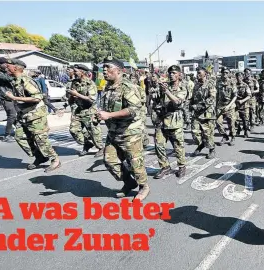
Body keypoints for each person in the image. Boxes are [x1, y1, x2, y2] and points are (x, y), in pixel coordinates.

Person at [98, 56, 149, 201]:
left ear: (119, 71)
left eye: (108, 67)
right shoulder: (108, 87)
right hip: (114, 132)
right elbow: (107, 108)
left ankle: (144, 187)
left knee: (135, 163)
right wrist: (100, 115)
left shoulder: (128, 87)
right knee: (110, 161)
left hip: (129, 133)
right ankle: (129, 182)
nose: (105, 70)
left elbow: (133, 109)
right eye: (104, 68)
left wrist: (109, 115)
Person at [5, 59, 61, 172]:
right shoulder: (15, 81)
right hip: (24, 115)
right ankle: (40, 156)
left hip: (35, 115)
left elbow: (37, 97)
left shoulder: (25, 80)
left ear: (15, 68)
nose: (6, 68)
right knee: (20, 137)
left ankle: (55, 160)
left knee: (41, 139)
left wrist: (14, 98)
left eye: (8, 66)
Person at [153, 65, 189, 179]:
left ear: (179, 74)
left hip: (175, 120)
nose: (171, 75)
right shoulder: (165, 85)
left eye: (174, 73)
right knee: (159, 145)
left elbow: (178, 102)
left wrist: (167, 91)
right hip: (162, 120)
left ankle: (182, 166)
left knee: (178, 146)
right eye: (170, 73)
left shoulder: (183, 87)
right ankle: (165, 167)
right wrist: (156, 89)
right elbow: (157, 99)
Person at [68, 64, 104, 157]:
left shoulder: (90, 83)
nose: (74, 73)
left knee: (93, 131)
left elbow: (91, 99)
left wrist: (77, 94)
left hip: (90, 110)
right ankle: (87, 143)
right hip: (79, 110)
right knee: (73, 130)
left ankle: (101, 148)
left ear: (82, 72)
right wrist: (71, 99)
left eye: (76, 71)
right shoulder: (74, 82)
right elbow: (72, 98)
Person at [189, 67, 217, 158]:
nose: (197, 74)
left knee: (207, 133)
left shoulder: (210, 84)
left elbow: (212, 98)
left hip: (207, 113)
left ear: (205, 74)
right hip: (197, 113)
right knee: (194, 132)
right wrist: (190, 105)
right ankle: (201, 144)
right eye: (197, 73)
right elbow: (193, 98)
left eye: (199, 73)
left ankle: (212, 149)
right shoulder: (196, 85)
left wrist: (199, 106)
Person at [215, 67, 238, 146]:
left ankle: (233, 137)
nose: (225, 74)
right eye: (223, 73)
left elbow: (235, 96)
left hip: (230, 106)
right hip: (220, 105)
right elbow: (217, 95)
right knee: (218, 122)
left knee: (231, 123)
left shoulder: (232, 82)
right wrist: (215, 105)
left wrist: (229, 105)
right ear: (221, 73)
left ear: (229, 74)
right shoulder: (218, 82)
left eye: (226, 73)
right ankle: (225, 136)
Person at [235, 72, 252, 138]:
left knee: (245, 120)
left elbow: (249, 95)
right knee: (235, 119)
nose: (239, 78)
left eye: (240, 77)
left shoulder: (245, 85)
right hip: (236, 105)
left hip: (244, 105)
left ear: (242, 77)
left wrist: (242, 100)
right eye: (237, 77)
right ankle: (238, 128)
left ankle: (245, 131)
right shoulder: (234, 85)